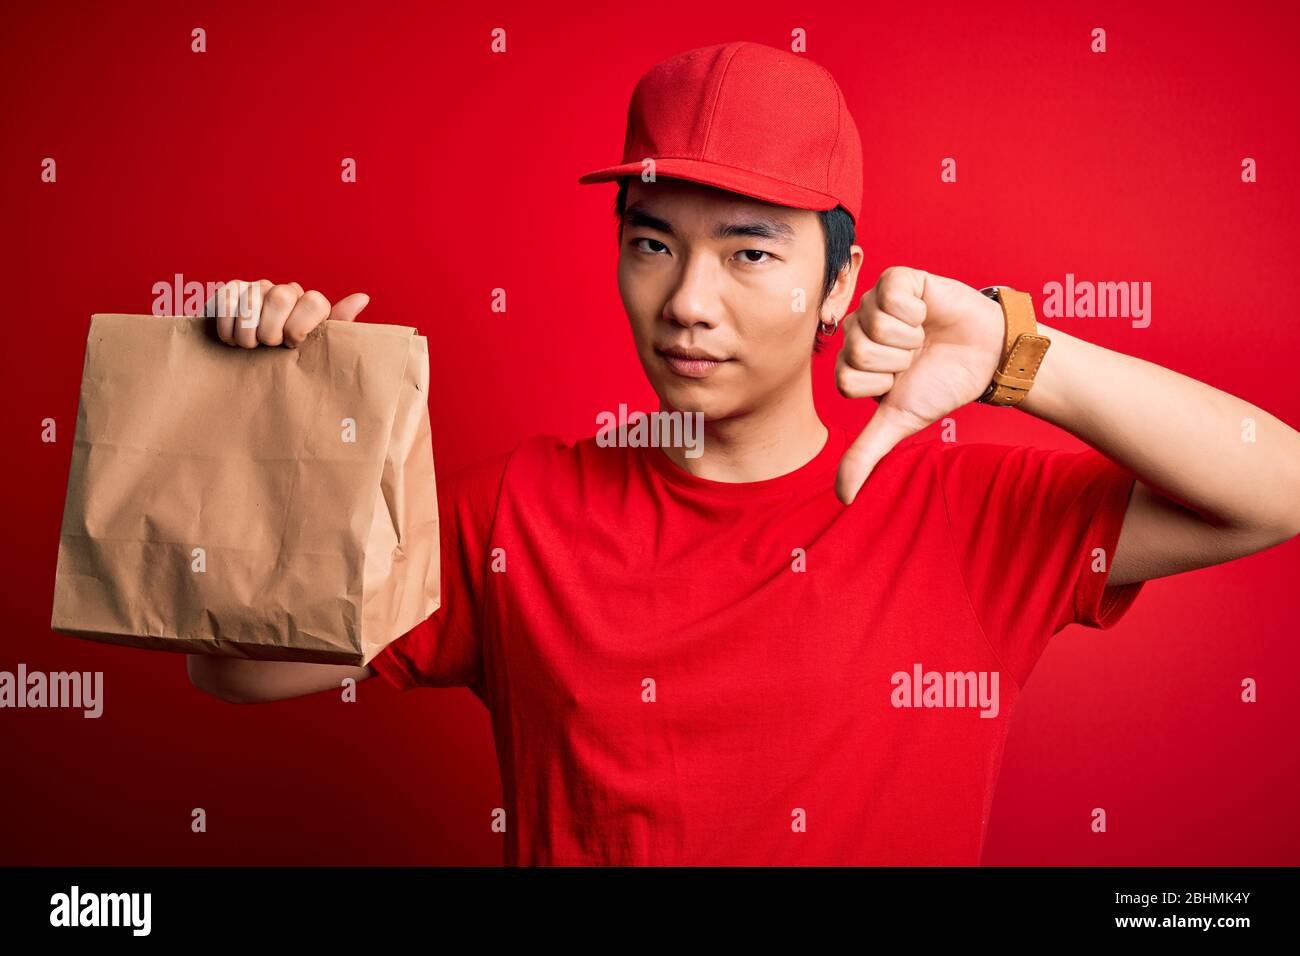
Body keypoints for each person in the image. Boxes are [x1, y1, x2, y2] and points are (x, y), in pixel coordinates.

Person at [187, 41, 1300, 865]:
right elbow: (236, 663)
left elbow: (1278, 486)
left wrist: (1022, 354)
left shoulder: (964, 510)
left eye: (750, 251)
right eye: (653, 243)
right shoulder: (518, 509)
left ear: (838, 284)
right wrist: (267, 403)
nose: (687, 301)